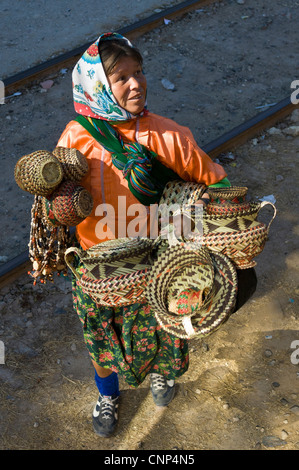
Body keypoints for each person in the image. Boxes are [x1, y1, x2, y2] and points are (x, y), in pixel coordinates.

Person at [56, 32, 232, 438]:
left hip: (159, 264)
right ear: (98, 86)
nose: (136, 84)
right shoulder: (76, 139)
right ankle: (107, 394)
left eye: (139, 72)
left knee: (166, 332)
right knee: (101, 339)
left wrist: (222, 228)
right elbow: (56, 198)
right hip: (97, 267)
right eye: (121, 78)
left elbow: (219, 186)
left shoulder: (168, 136)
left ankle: (161, 375)